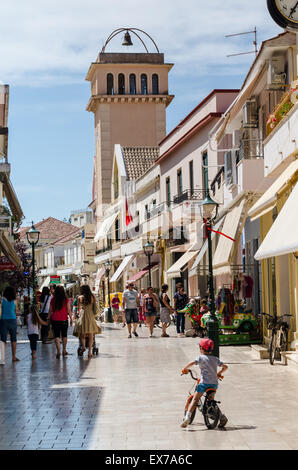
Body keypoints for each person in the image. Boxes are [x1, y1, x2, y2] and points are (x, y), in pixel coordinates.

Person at [180, 338, 228, 428]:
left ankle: (187, 417)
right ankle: (221, 417)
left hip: (203, 383)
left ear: (201, 348)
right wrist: (218, 373)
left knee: (195, 400)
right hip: (214, 384)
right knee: (211, 400)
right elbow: (225, 367)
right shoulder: (215, 358)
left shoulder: (201, 357)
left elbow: (193, 362)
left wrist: (185, 368)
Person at [48, 285, 73, 358]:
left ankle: (58, 351)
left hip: (55, 319)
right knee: (64, 335)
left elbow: (50, 310)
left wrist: (48, 317)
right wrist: (71, 318)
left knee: (56, 336)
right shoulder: (65, 299)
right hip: (64, 319)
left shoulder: (53, 299)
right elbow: (68, 310)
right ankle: (64, 350)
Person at [77, 285, 101, 358]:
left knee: (82, 334)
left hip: (83, 315)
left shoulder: (80, 298)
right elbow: (95, 307)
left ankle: (83, 347)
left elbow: (79, 308)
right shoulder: (92, 297)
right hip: (90, 316)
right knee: (91, 335)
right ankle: (89, 352)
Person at [0, 286, 20, 363]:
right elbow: (16, 310)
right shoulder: (15, 300)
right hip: (12, 320)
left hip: (3, 321)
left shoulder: (2, 300)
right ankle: (14, 357)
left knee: (3, 339)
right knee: (13, 339)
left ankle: (2, 358)